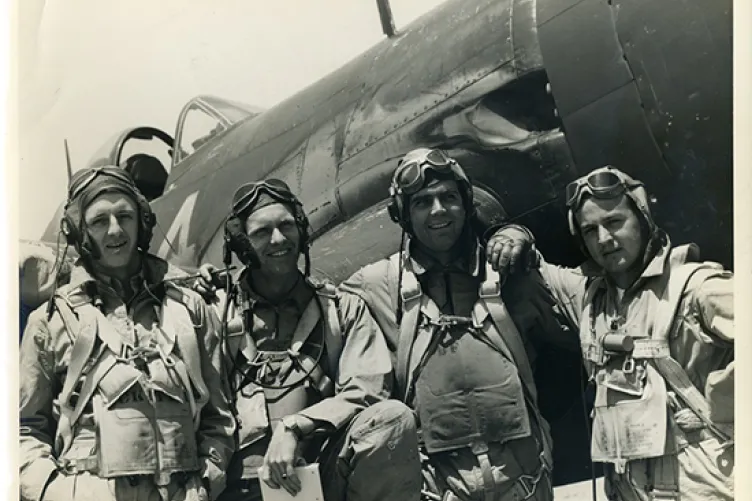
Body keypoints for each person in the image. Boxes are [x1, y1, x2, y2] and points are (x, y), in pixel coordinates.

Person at [339, 148, 577, 501]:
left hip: (523, 485)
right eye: (422, 202)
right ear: (402, 215)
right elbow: (313, 313)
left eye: (449, 197)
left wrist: (518, 235)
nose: (438, 210)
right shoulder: (377, 285)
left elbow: (596, 308)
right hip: (439, 491)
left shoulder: (508, 270)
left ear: (467, 205)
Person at [486, 165, 734, 501]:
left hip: (702, 486)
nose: (604, 239)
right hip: (628, 490)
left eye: (614, 222)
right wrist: (515, 234)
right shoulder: (589, 300)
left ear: (642, 217)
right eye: (590, 230)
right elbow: (534, 268)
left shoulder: (695, 288)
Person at [195, 179, 422, 501]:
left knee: (393, 419)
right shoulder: (211, 310)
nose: (278, 239)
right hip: (235, 488)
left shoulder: (341, 309)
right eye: (261, 232)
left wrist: (295, 426)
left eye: (286, 226)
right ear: (242, 244)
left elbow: (368, 389)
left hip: (319, 482)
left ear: (302, 231)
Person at [20, 167, 235, 501]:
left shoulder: (190, 309)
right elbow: (23, 432)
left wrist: (205, 482)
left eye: (125, 215)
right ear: (79, 232)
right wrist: (56, 491)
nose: (115, 230)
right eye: (99, 221)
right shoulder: (48, 322)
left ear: (143, 221)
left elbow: (218, 420)